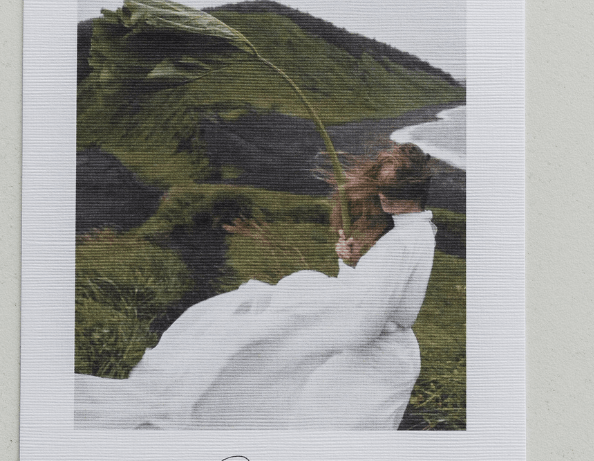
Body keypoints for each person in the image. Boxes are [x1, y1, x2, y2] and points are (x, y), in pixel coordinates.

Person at [75, 142, 437, 430]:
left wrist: (303, 333)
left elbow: (367, 323)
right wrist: (351, 264)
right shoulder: (421, 233)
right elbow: (383, 298)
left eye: (390, 190)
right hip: (386, 352)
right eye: (381, 188)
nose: (382, 197)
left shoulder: (400, 244)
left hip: (371, 358)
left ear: (412, 191)